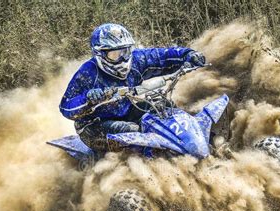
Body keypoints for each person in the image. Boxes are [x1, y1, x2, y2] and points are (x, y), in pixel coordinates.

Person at [59, 23, 205, 151]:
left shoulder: (137, 60)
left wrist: (188, 55)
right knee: (133, 132)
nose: (123, 57)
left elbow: (162, 56)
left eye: (125, 51)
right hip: (94, 127)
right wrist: (88, 99)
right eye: (115, 54)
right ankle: (143, 170)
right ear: (100, 54)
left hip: (125, 111)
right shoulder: (88, 72)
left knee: (164, 108)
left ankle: (190, 145)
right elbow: (66, 107)